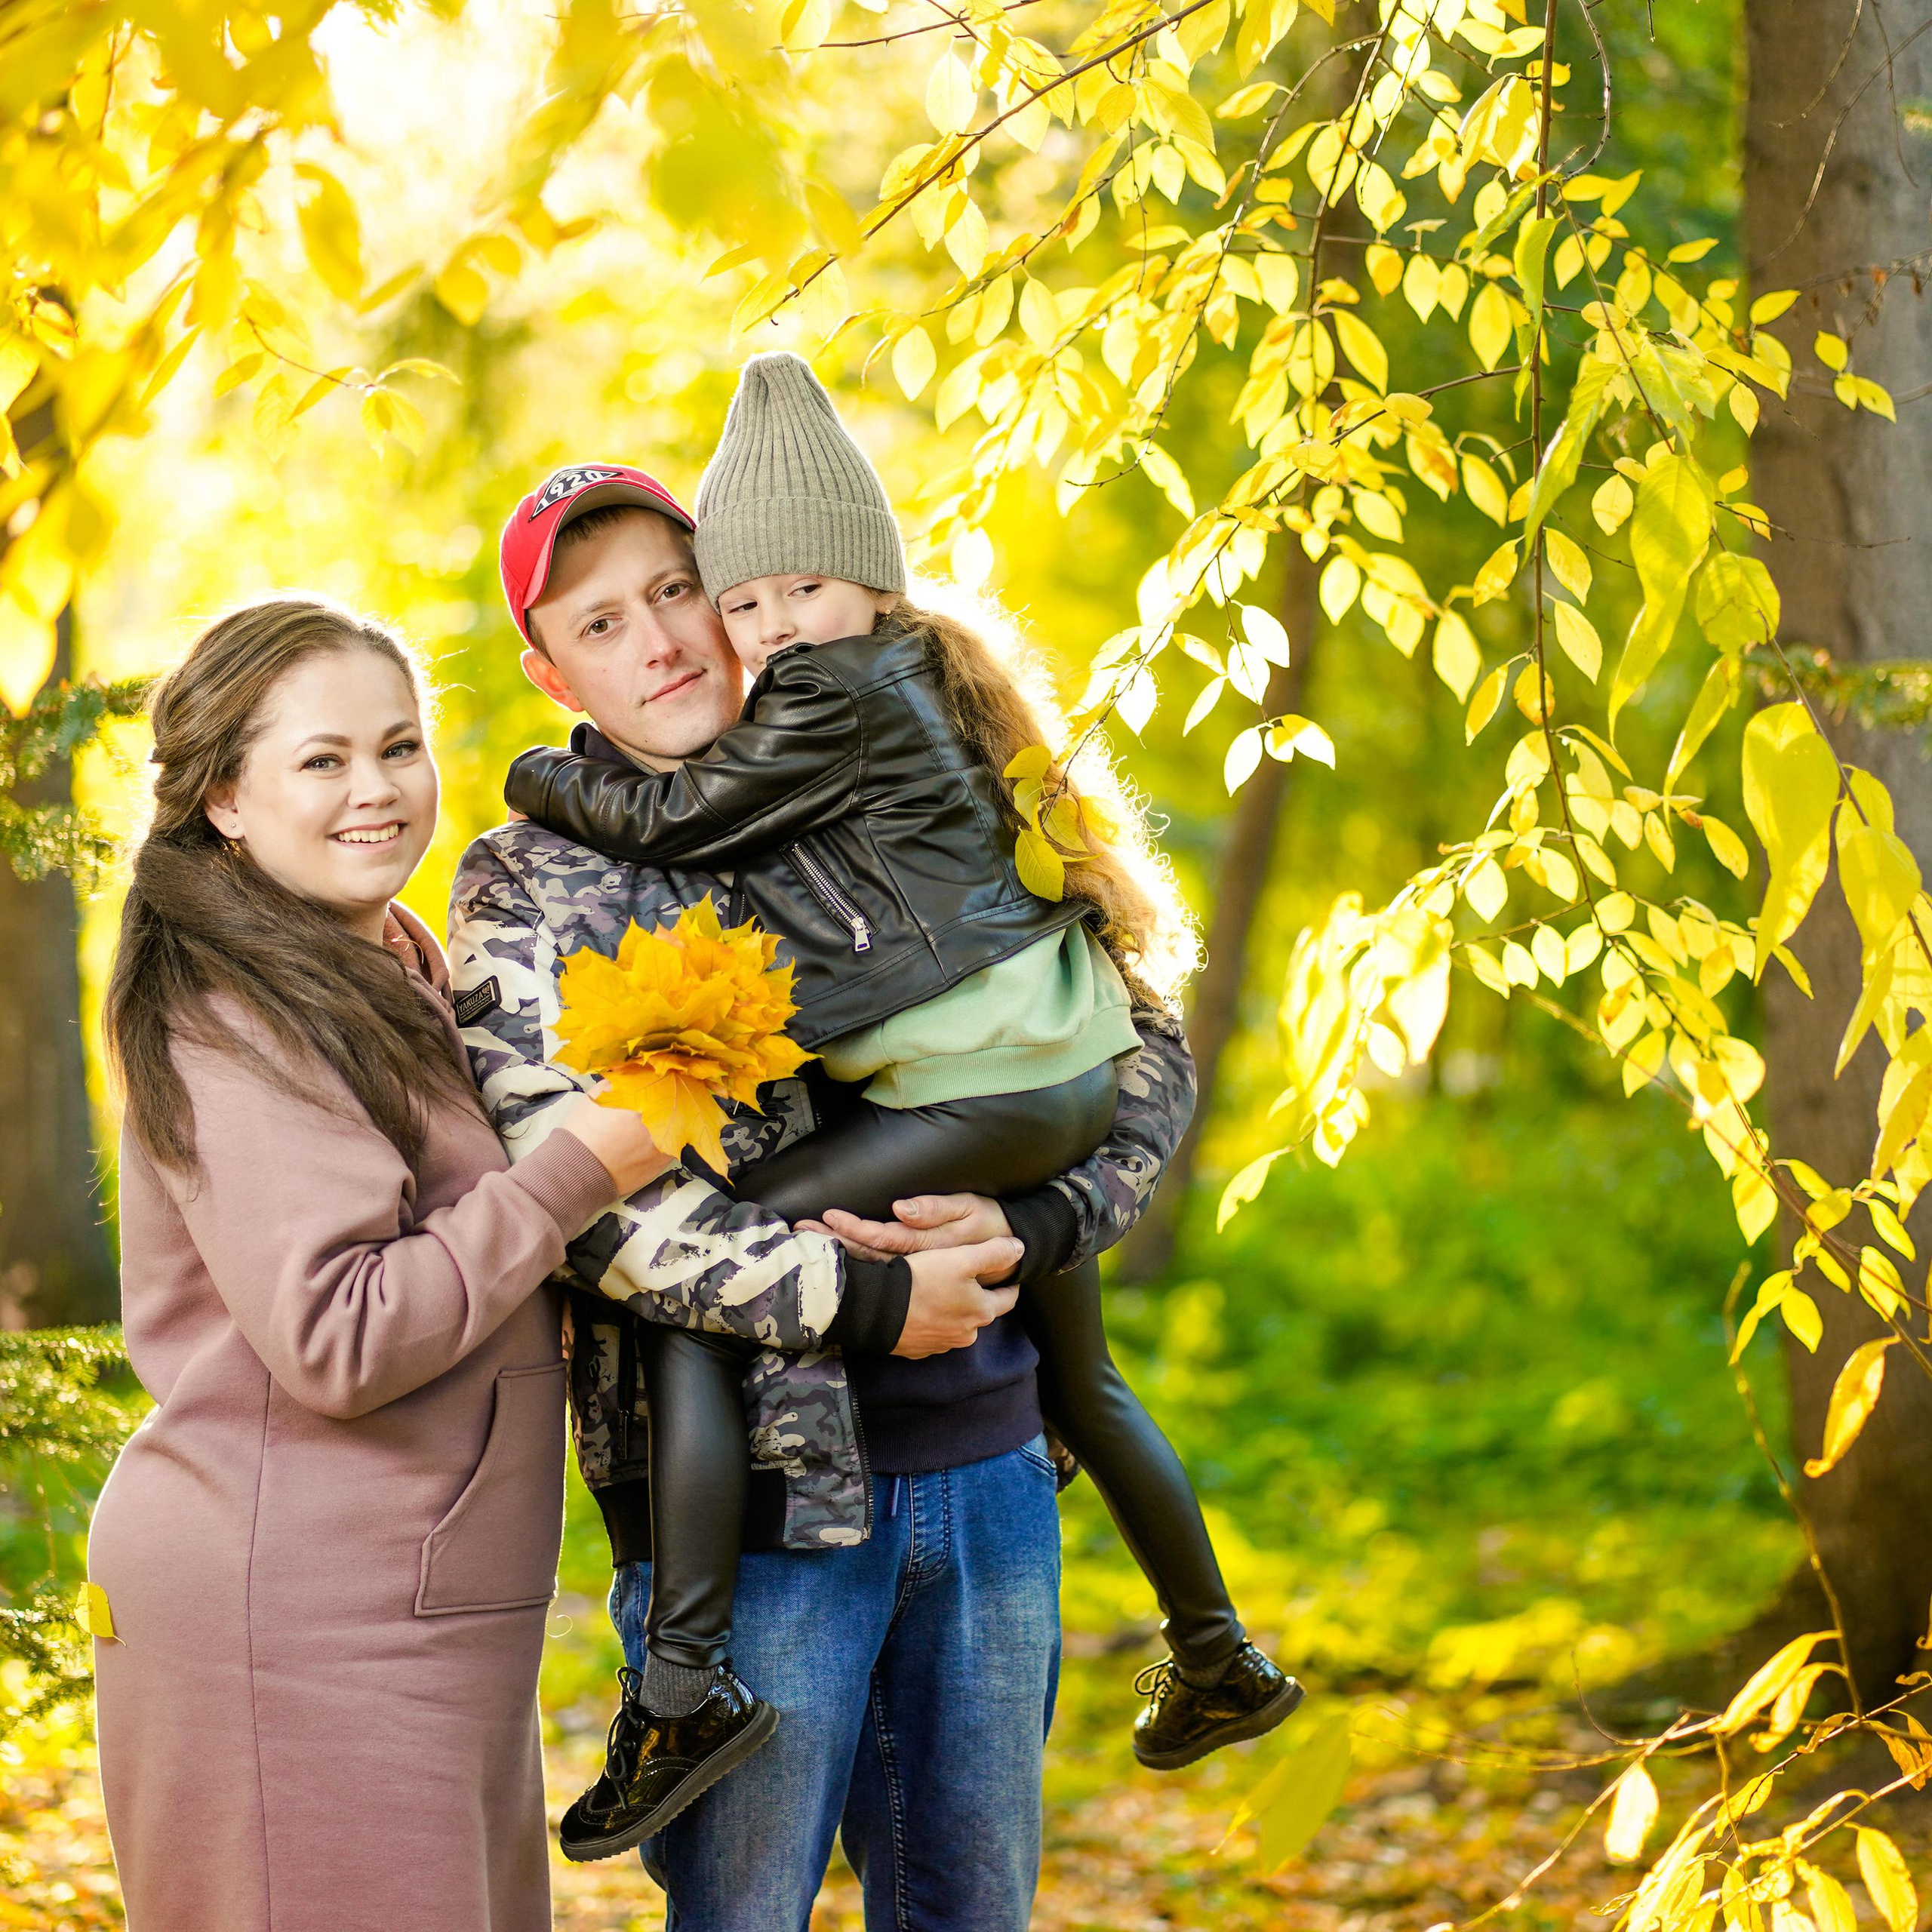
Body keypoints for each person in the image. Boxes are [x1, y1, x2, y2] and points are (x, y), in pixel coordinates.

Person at [502, 352, 1302, 1855]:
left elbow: (1136, 1000)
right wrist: (928, 1270)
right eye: (609, 622)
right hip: (795, 1494)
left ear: (857, 584)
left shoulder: (828, 720)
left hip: (975, 1383)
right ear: (553, 668)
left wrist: (1059, 1207)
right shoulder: (542, 882)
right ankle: (1213, 1648)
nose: (725, 631)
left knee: (961, 1879)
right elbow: (585, 1208)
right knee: (1089, 1376)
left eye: (696, 590)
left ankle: (682, 1682)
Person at [88, 598, 669, 1932]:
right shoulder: (234, 1009)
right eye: (323, 759)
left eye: (400, 747)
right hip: (294, 1612)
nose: (378, 790)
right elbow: (339, 1338)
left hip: (421, 1601)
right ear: (226, 799)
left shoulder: (395, 965)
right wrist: (583, 1166)